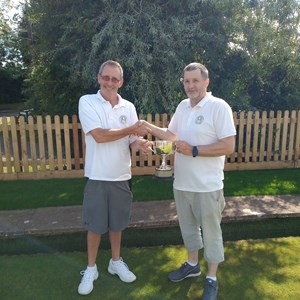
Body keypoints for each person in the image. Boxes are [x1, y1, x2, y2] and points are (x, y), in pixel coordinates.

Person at [143, 62, 236, 300]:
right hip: (181, 183)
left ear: (206, 81)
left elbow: (228, 146)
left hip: (208, 186)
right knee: (188, 229)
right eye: (186, 81)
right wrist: (146, 127)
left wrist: (194, 150)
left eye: (195, 80)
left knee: (212, 233)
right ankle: (192, 265)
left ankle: (212, 278)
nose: (190, 85)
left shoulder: (218, 107)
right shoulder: (183, 106)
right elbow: (171, 136)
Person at [77, 60, 151, 296]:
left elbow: (131, 141)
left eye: (115, 79)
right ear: (99, 78)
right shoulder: (87, 101)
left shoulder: (128, 107)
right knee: (95, 226)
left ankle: (115, 262)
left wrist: (141, 144)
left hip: (121, 176)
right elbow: (99, 135)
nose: (110, 82)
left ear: (121, 82)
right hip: (97, 175)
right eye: (106, 77)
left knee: (117, 224)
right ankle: (91, 268)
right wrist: (131, 130)